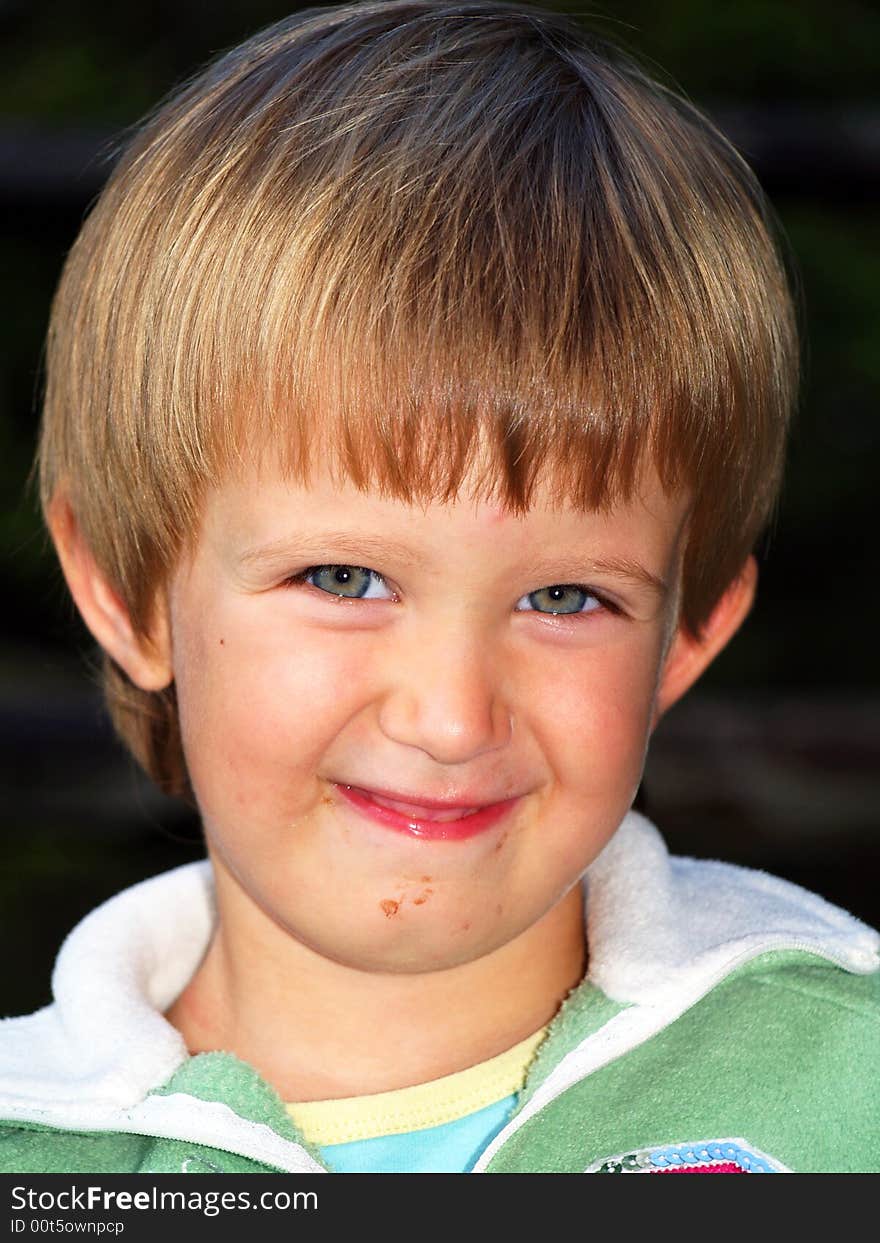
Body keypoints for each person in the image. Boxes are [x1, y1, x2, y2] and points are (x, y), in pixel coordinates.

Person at [1, 0, 877, 1176]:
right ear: (123, 589)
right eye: (345, 576)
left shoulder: (844, 1076)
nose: (451, 716)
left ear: (691, 631)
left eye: (564, 598)